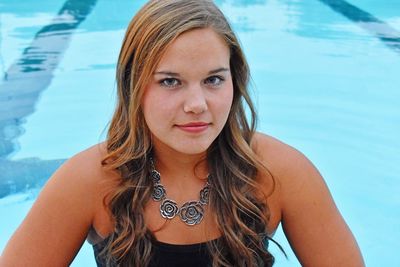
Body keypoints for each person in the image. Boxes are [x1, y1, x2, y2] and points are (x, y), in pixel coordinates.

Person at [0, 0, 365, 266]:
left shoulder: (279, 173)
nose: (197, 104)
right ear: (134, 87)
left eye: (214, 80)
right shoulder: (90, 181)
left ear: (234, 82)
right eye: (170, 81)